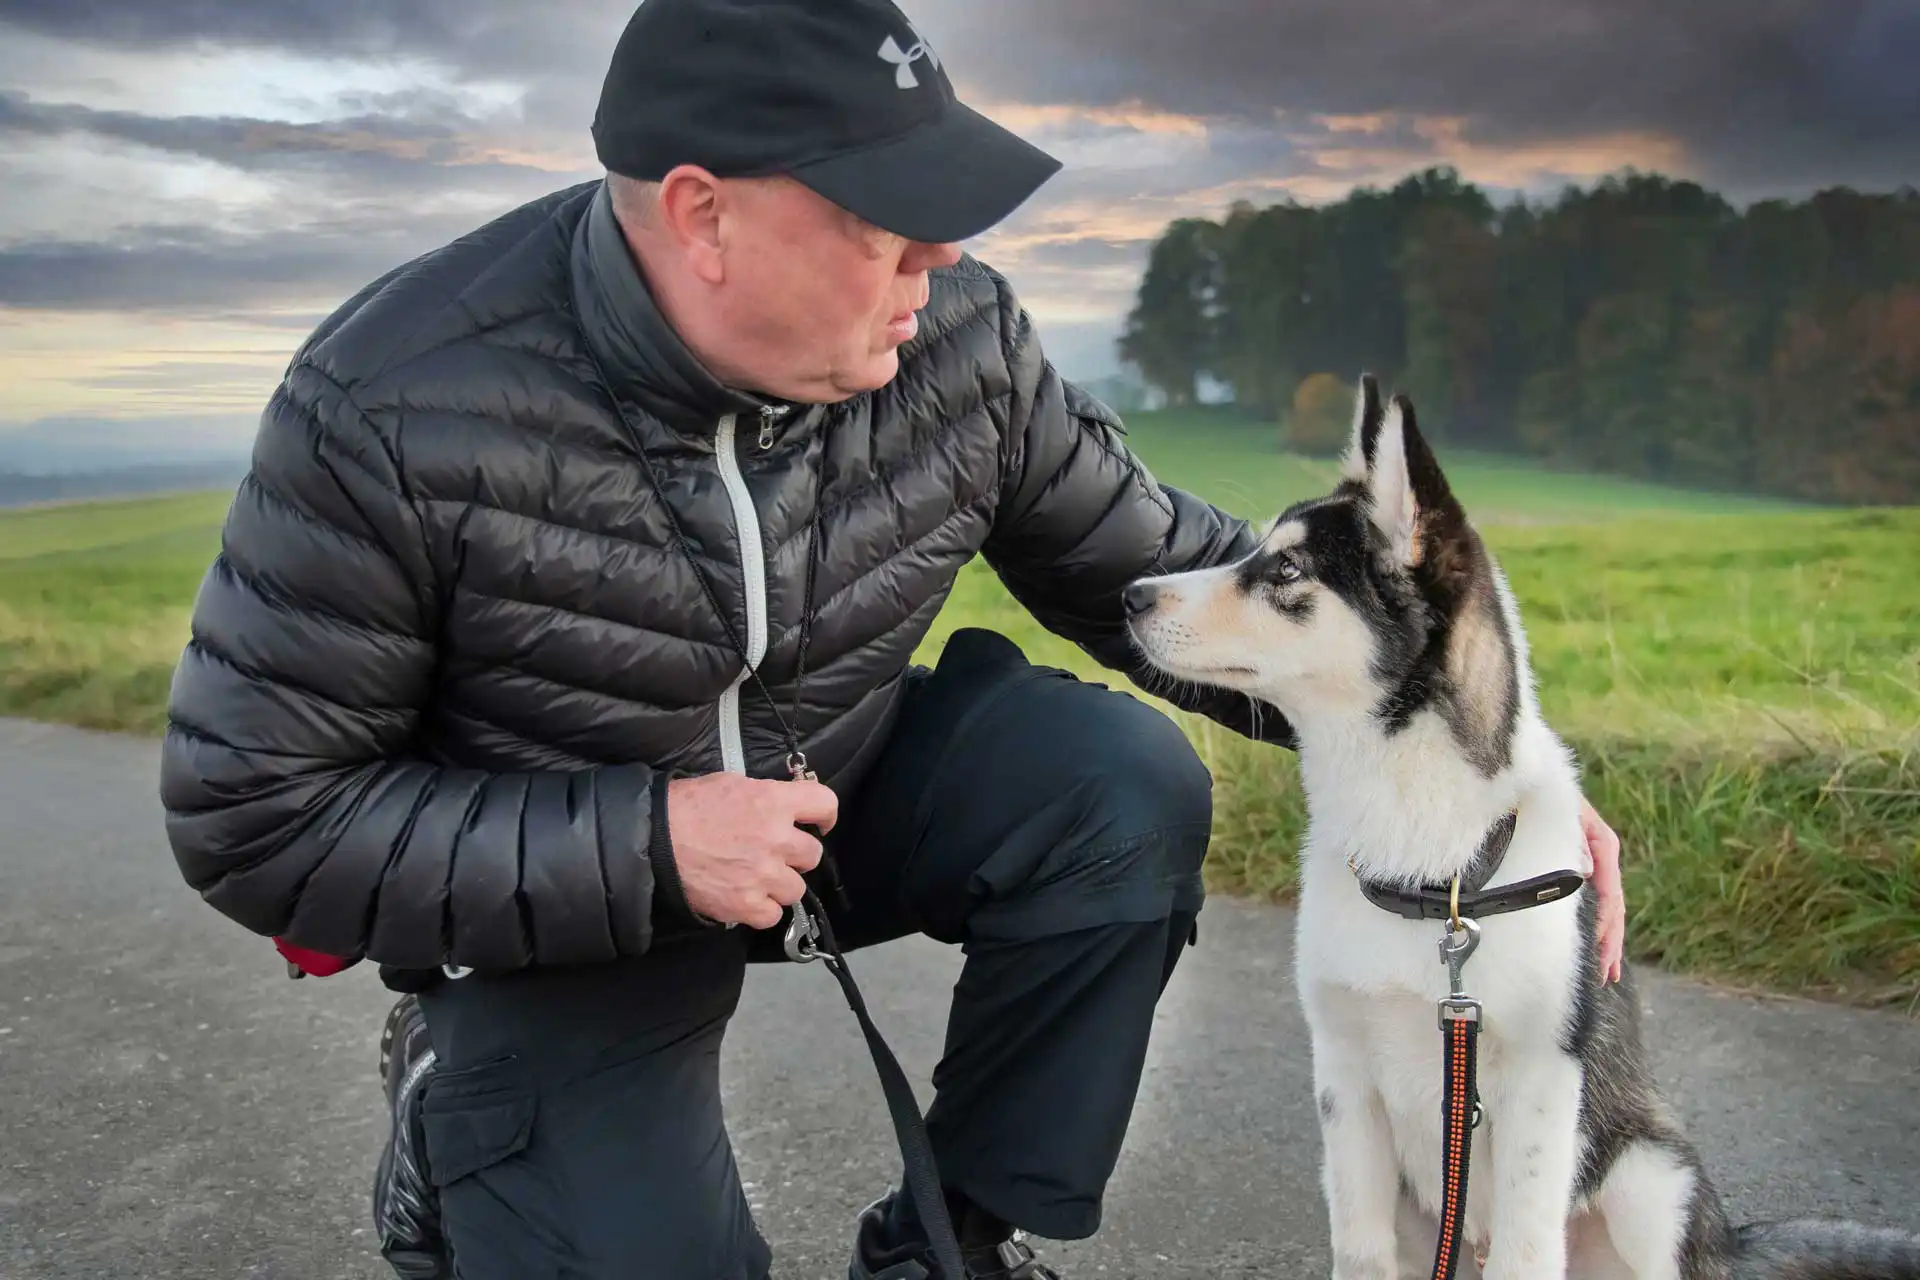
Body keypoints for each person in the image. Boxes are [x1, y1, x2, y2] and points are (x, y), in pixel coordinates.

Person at [158, 0, 1628, 1276]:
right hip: (562, 890)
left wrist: (1495, 775)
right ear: (703, 216)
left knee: (1112, 785)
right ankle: (455, 1102)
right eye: (887, 216)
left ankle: (949, 1243)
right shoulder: (391, 404)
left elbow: (1169, 571)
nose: (943, 250)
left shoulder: (959, 341)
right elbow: (256, 814)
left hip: (832, 794)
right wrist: (647, 844)